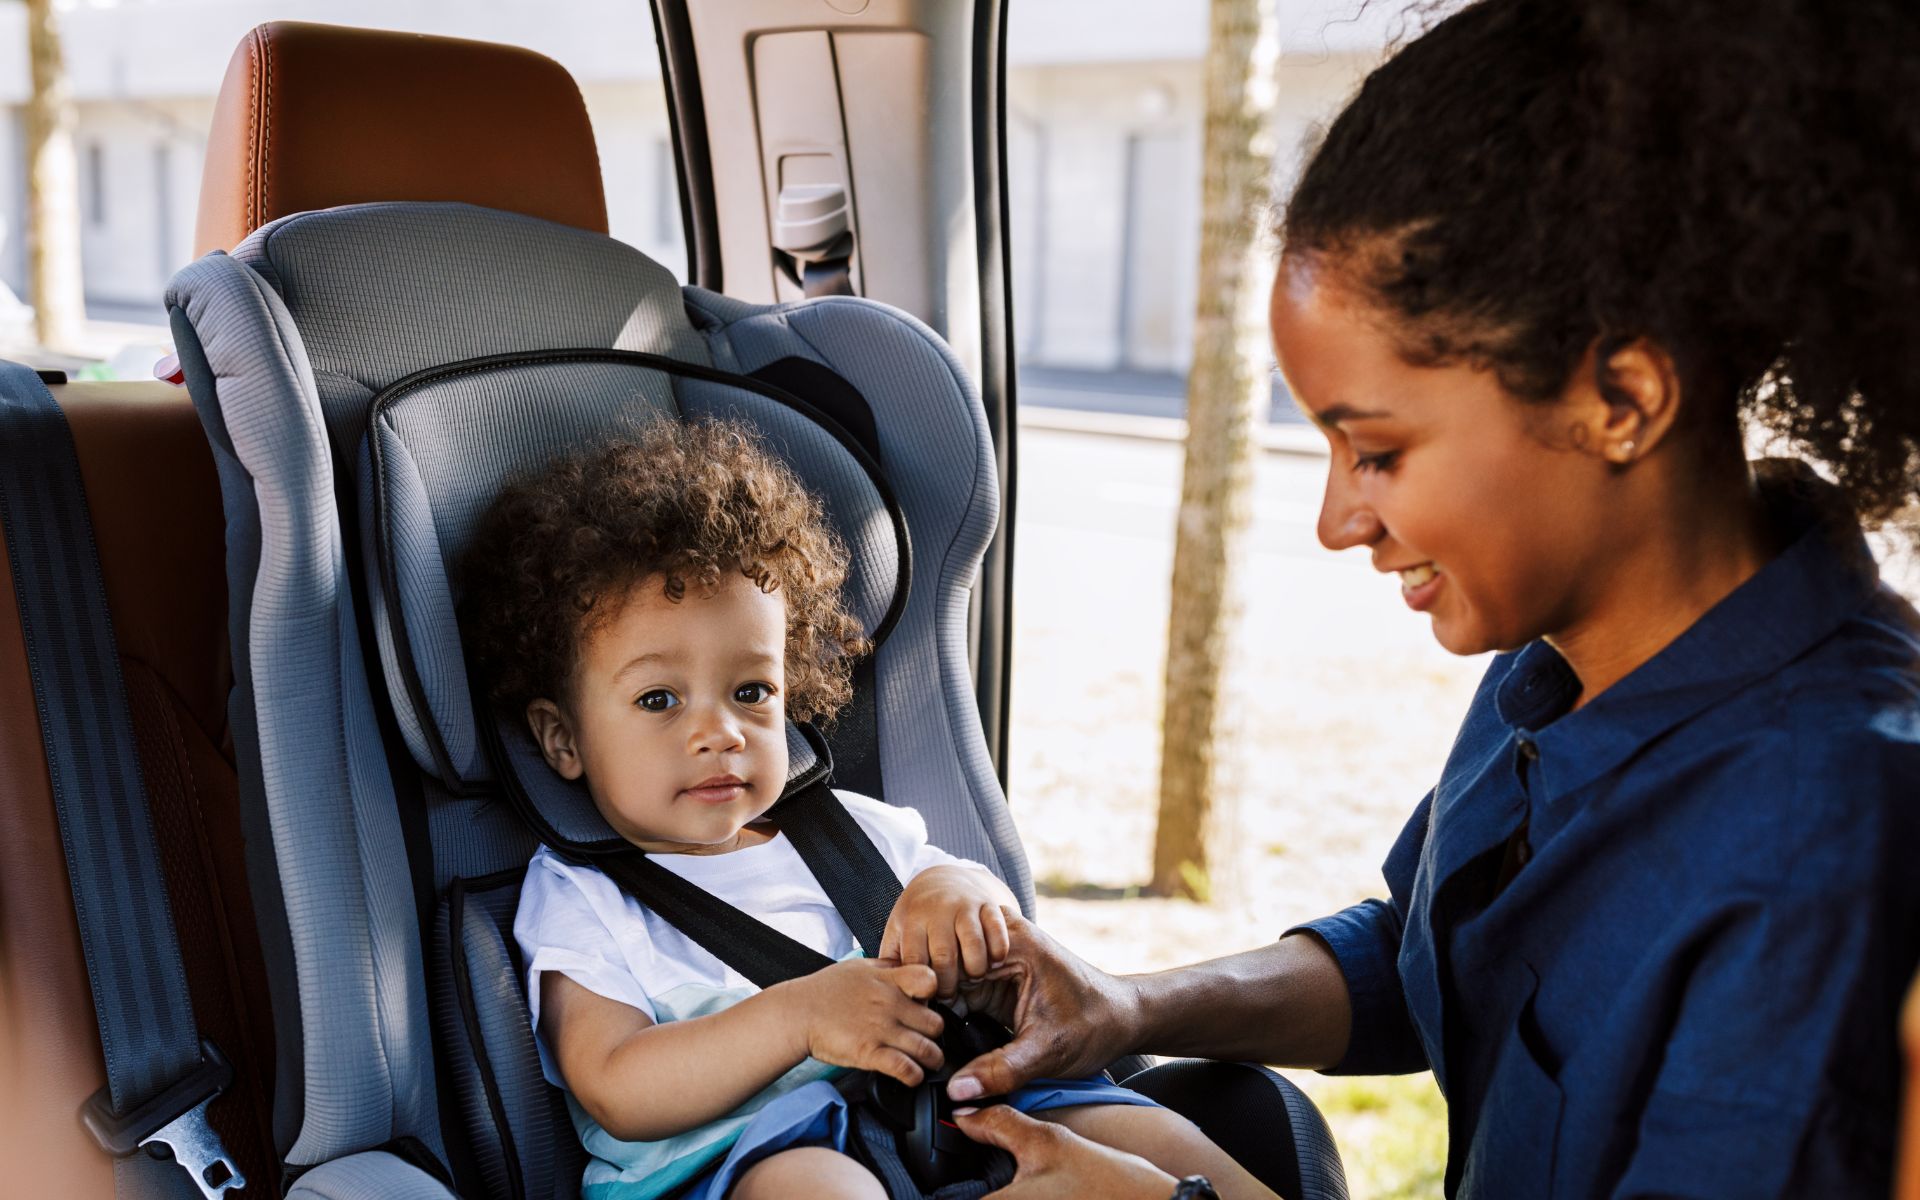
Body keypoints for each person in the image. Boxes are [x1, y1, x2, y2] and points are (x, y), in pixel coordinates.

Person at [939, 0, 1920, 1196]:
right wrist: (1127, 1007)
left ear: (1623, 399)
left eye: (1380, 452)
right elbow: (1425, 959)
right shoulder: (1556, 661)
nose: (1337, 521)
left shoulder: (1823, 836)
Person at [457, 419, 1277, 1200]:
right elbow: (616, 1083)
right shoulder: (583, 897)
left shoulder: (859, 832)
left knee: (1155, 1138)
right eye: (659, 698)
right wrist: (801, 1017)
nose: (719, 733)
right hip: (750, 1157)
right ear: (561, 738)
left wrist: (960, 899)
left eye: (752, 692)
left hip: (953, 1102)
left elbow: (986, 915)